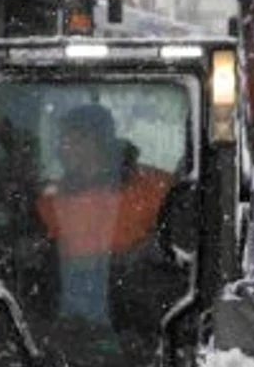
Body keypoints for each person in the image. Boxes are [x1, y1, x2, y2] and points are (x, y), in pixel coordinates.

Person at [33, 103, 176, 328]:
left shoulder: (155, 190)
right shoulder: (49, 203)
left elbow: (182, 249)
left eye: (70, 141)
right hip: (69, 327)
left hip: (142, 325)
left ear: (94, 142)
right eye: (61, 142)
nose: (61, 149)